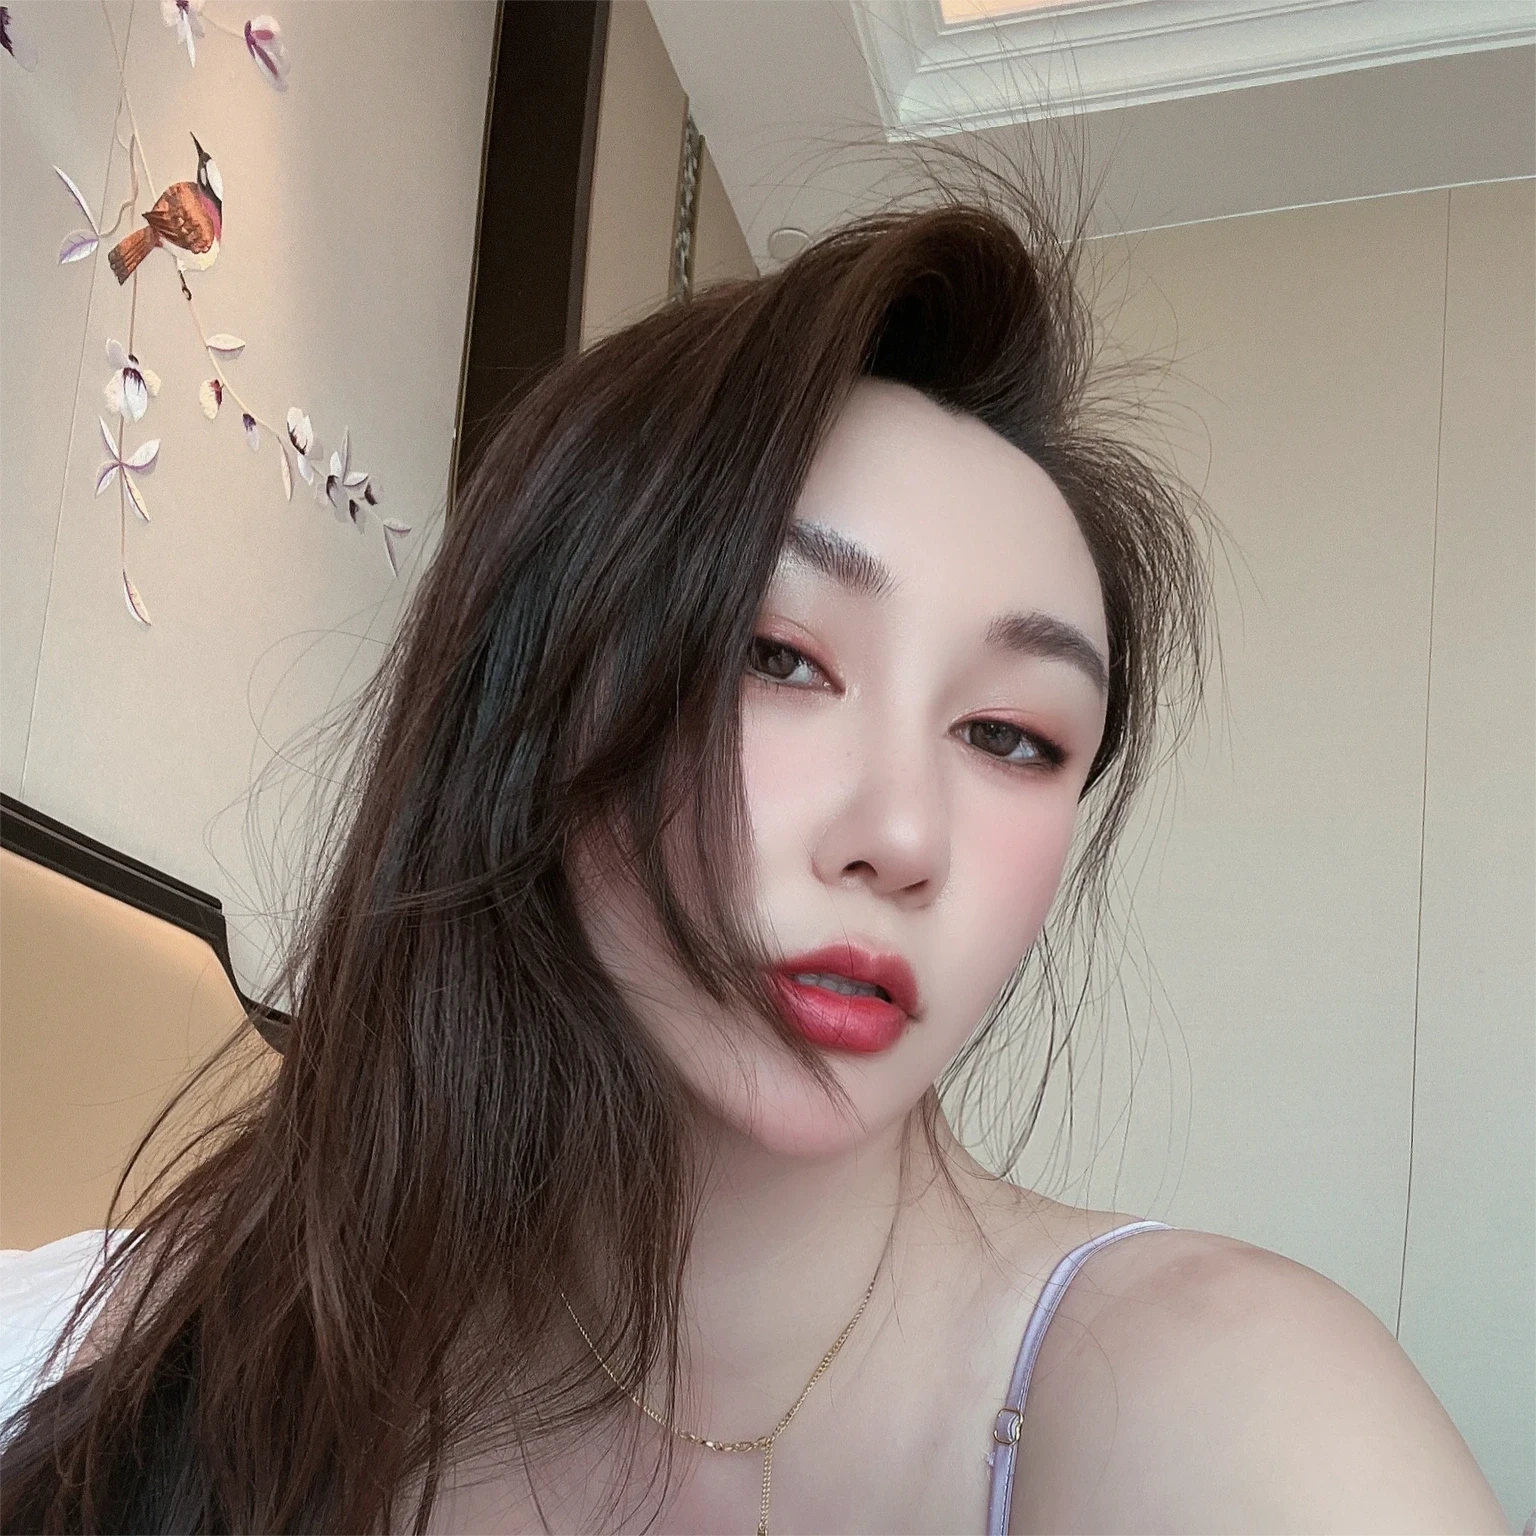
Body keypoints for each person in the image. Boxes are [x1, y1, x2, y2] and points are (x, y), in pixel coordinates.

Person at [0, 172, 1510, 1536]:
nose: (903, 839)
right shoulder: (179, 1338)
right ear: (528, 690)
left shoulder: (1218, 1401)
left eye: (1010, 737)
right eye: (778, 656)